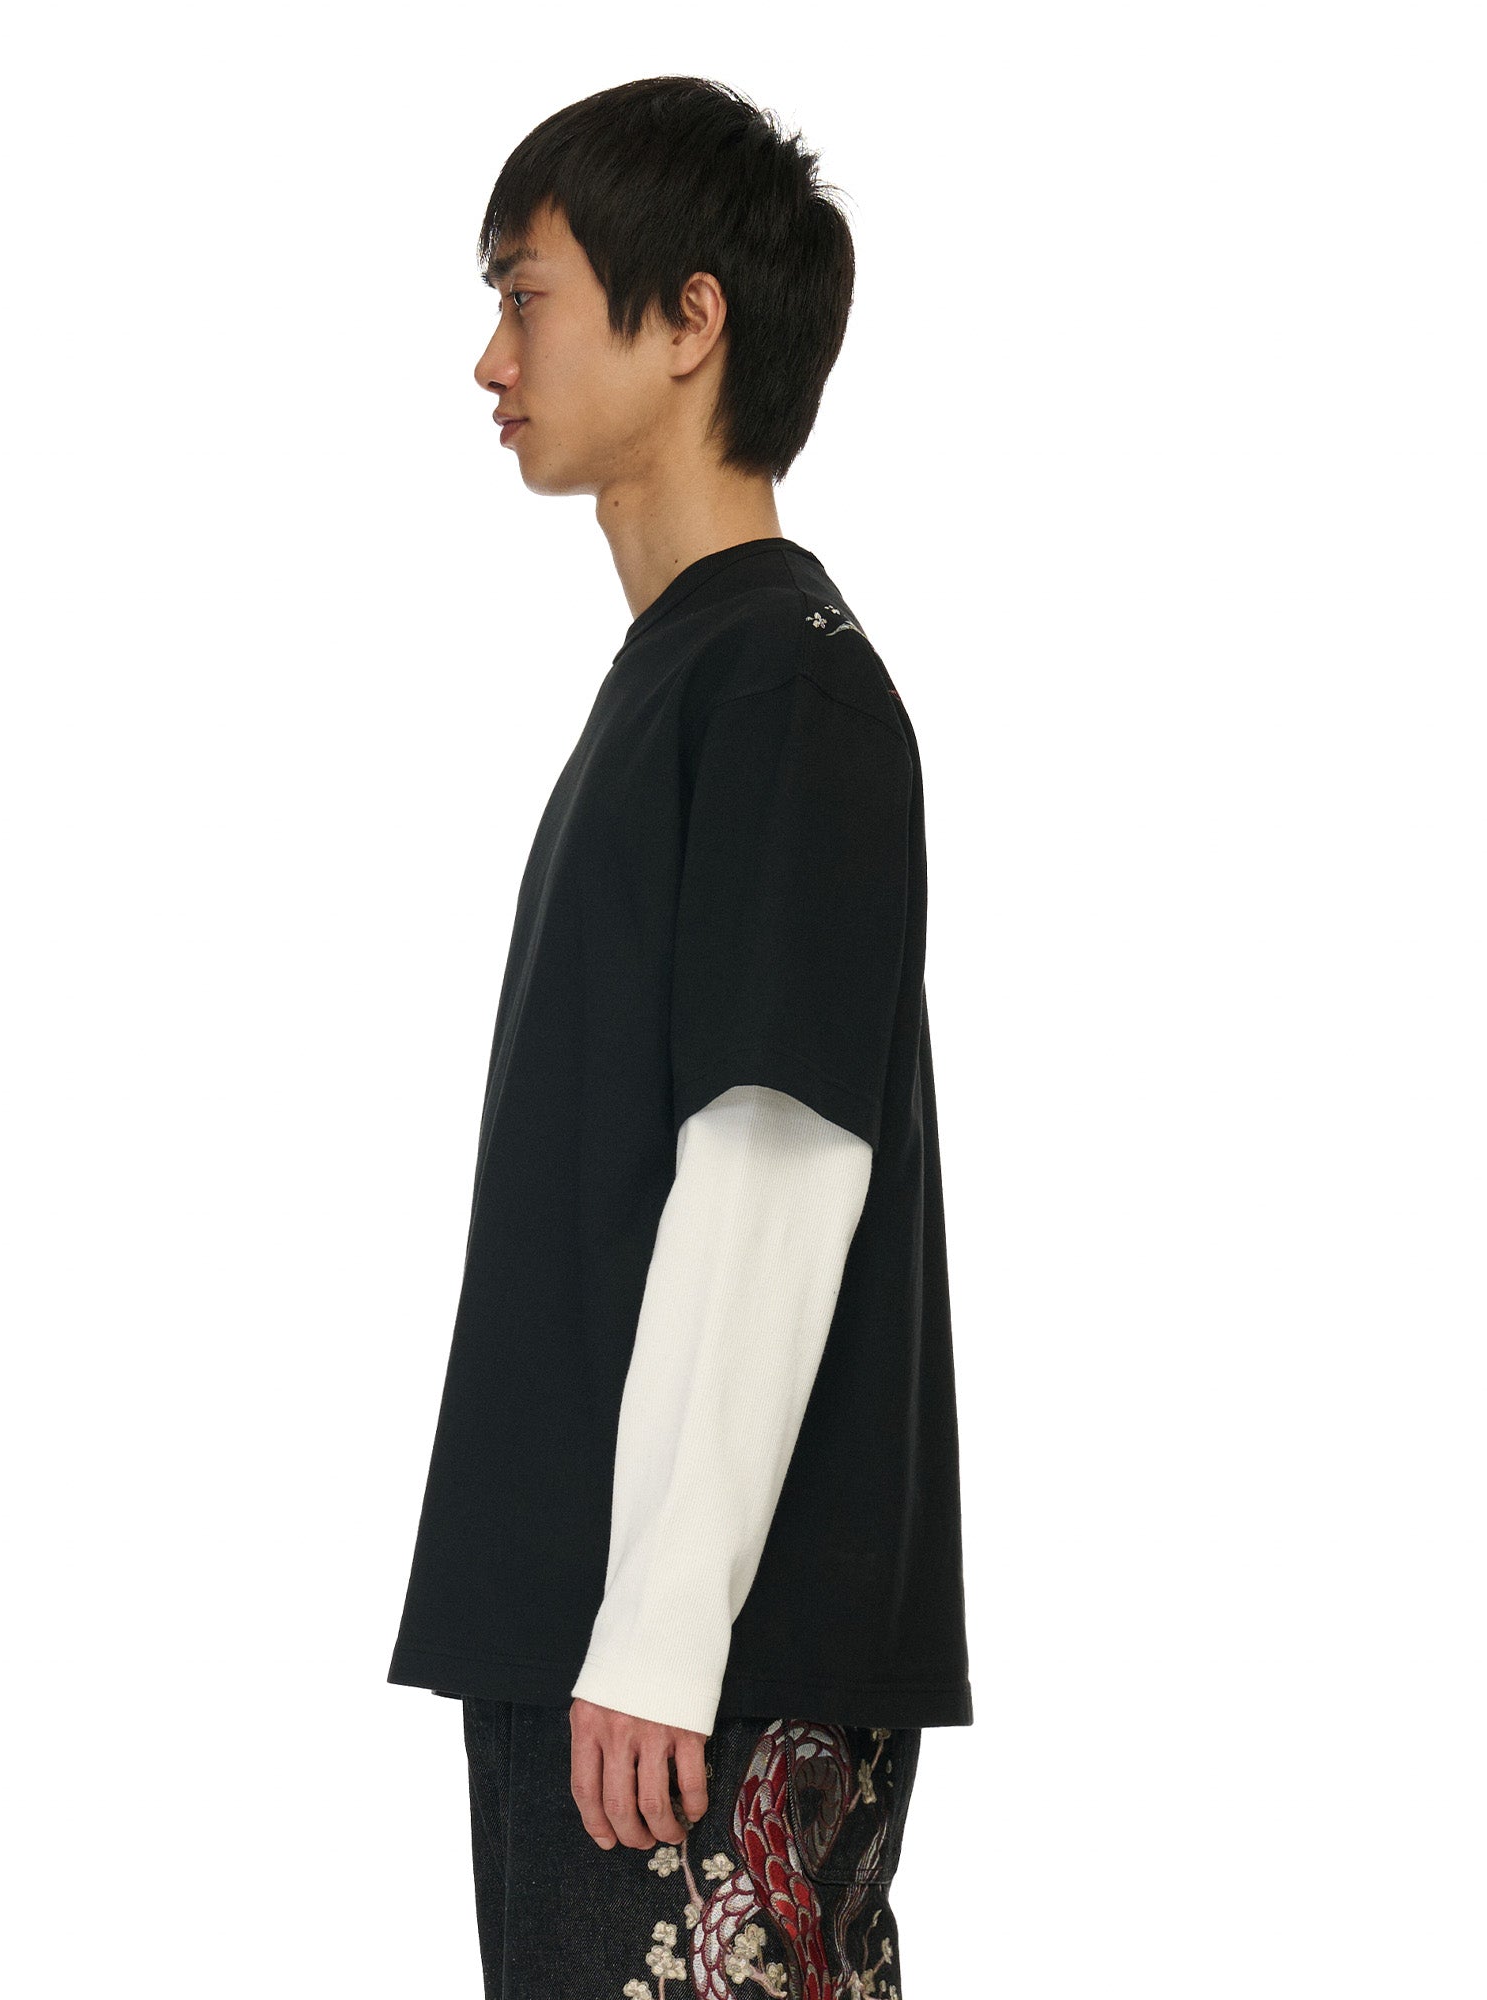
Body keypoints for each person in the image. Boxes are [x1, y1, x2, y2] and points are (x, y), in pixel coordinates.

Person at [385, 75, 972, 1998]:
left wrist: (655, 1629)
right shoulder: (684, 684)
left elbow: (774, 1159)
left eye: (524, 295)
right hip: (606, 1657)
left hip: (693, 1681)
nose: (492, 359)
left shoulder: (784, 692)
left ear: (690, 318)